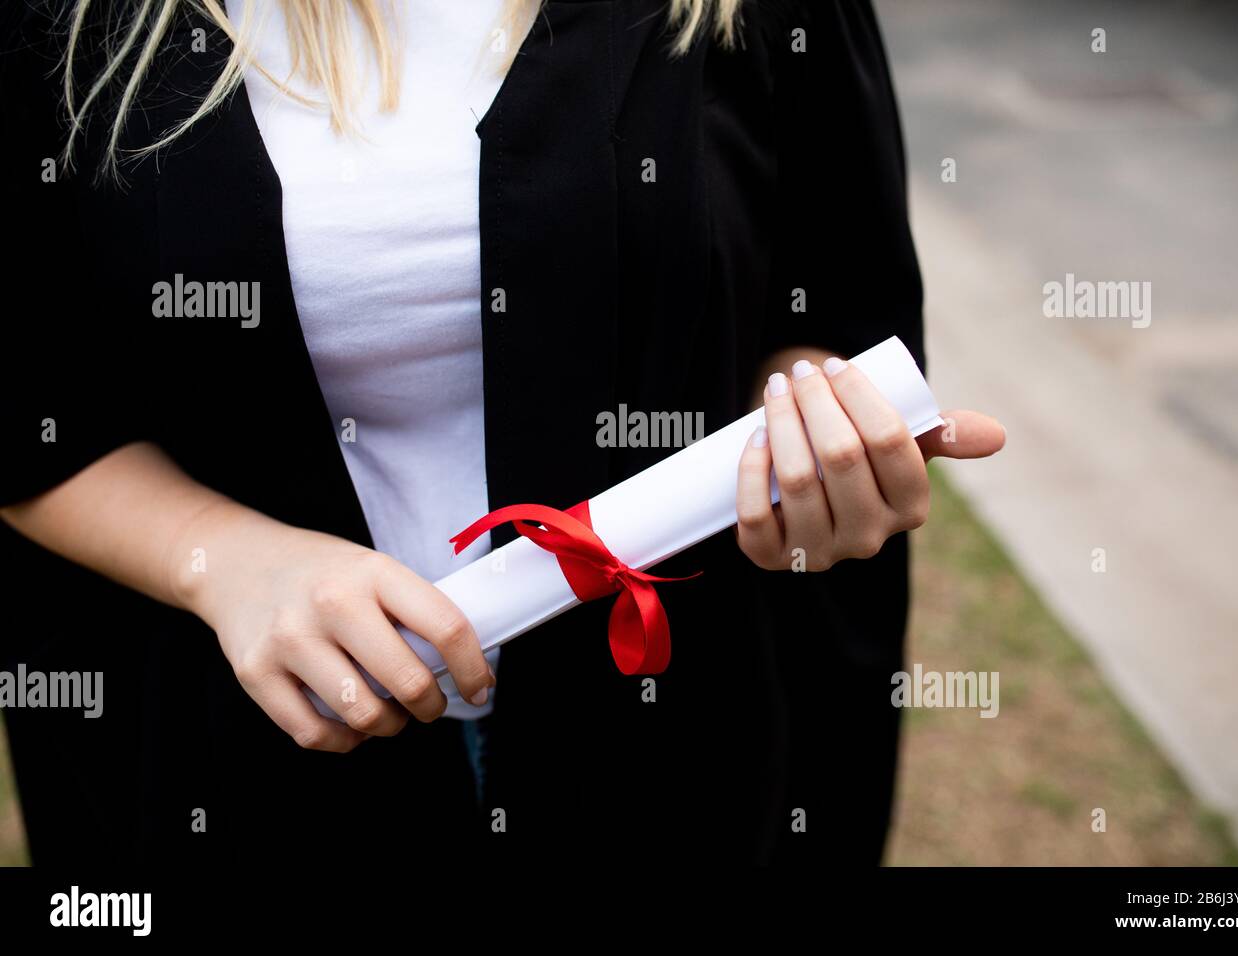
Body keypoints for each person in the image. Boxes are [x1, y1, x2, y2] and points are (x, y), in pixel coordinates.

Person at [0, 0, 1003, 865]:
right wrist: (225, 562)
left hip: (668, 743)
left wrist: (812, 435)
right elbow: (32, 404)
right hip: (255, 758)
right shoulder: (68, 26)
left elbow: (826, 302)